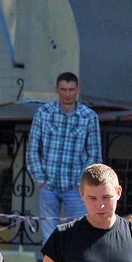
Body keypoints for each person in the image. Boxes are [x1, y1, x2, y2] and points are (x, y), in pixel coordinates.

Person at [27, 71, 103, 244]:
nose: (67, 94)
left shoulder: (89, 117)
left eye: (71, 89)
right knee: (49, 238)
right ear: (57, 90)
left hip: (75, 187)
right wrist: (41, 179)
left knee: (77, 235)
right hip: (48, 184)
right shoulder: (43, 113)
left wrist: (82, 183)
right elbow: (32, 149)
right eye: (63, 89)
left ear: (77, 90)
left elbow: (94, 154)